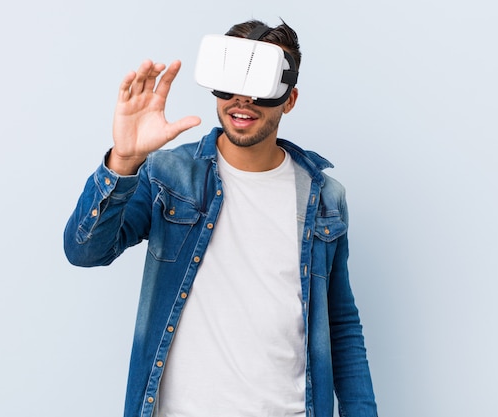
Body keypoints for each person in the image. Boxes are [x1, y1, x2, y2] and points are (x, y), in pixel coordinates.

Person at [64, 19, 378, 417]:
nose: (242, 100)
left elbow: (342, 328)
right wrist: (124, 162)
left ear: (290, 98)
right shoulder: (168, 175)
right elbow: (85, 251)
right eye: (230, 83)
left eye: (261, 87)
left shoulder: (325, 199)